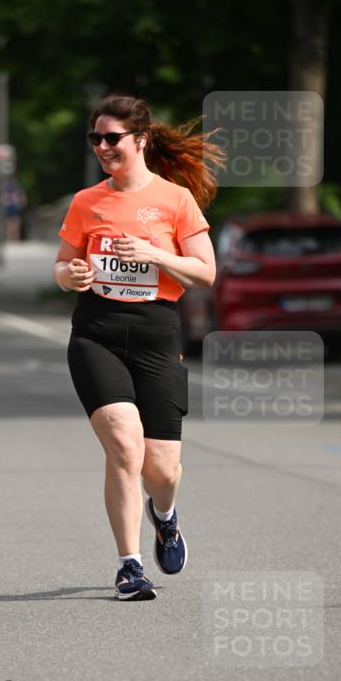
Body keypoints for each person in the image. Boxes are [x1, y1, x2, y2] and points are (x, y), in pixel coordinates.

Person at [54, 95, 223, 601]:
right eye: (95, 139)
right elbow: (62, 267)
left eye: (112, 138)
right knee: (124, 446)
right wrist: (73, 273)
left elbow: (207, 272)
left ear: (140, 139)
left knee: (162, 469)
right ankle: (129, 566)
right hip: (96, 331)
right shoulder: (87, 201)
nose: (102, 147)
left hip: (156, 334)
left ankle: (165, 518)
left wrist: (152, 252)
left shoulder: (174, 200)